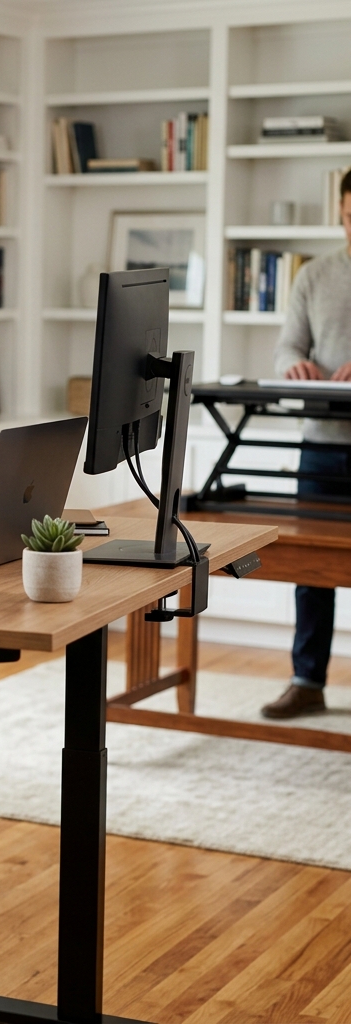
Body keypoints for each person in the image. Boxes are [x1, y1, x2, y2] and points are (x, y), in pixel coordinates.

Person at [263, 168, 351, 719]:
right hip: (322, 442)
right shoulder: (314, 276)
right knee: (311, 568)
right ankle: (307, 681)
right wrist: (293, 363)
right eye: (349, 217)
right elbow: (285, 346)